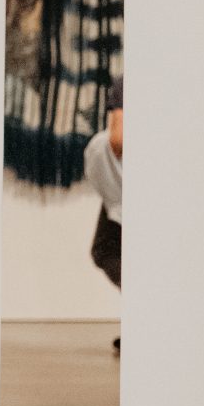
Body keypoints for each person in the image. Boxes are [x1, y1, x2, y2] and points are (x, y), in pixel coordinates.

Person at [86, 78, 123, 351]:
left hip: (127, 187)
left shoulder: (128, 82)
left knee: (106, 249)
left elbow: (118, 139)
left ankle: (147, 316)